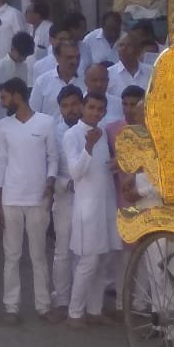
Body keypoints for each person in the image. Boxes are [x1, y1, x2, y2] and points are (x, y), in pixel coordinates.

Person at [0, 77, 57, 323]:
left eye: (4, 97)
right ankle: (11, 306)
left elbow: (52, 157)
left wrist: (51, 181)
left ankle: (43, 305)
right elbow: (1, 163)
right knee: (11, 255)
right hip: (11, 198)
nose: (2, 103)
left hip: (38, 199)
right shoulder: (3, 126)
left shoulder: (46, 122)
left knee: (38, 255)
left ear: (17, 96)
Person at [62, 92, 121, 328]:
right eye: (91, 107)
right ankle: (75, 313)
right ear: (83, 108)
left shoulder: (104, 133)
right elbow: (76, 173)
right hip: (87, 208)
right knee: (88, 262)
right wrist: (88, 146)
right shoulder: (72, 135)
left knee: (103, 261)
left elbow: (102, 169)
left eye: (100, 109)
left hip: (106, 204)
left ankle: (95, 311)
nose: (95, 112)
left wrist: (115, 164)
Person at [50, 85, 83, 317]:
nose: (70, 110)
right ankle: (62, 299)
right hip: (63, 197)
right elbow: (46, 169)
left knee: (83, 251)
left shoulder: (91, 129)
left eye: (74, 104)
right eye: (65, 106)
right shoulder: (53, 132)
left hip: (89, 198)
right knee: (62, 251)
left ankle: (81, 302)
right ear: (60, 108)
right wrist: (66, 184)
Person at [29, 40, 85, 119]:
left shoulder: (86, 81)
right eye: (70, 57)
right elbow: (33, 113)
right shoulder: (42, 82)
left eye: (77, 57)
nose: (75, 61)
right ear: (57, 58)